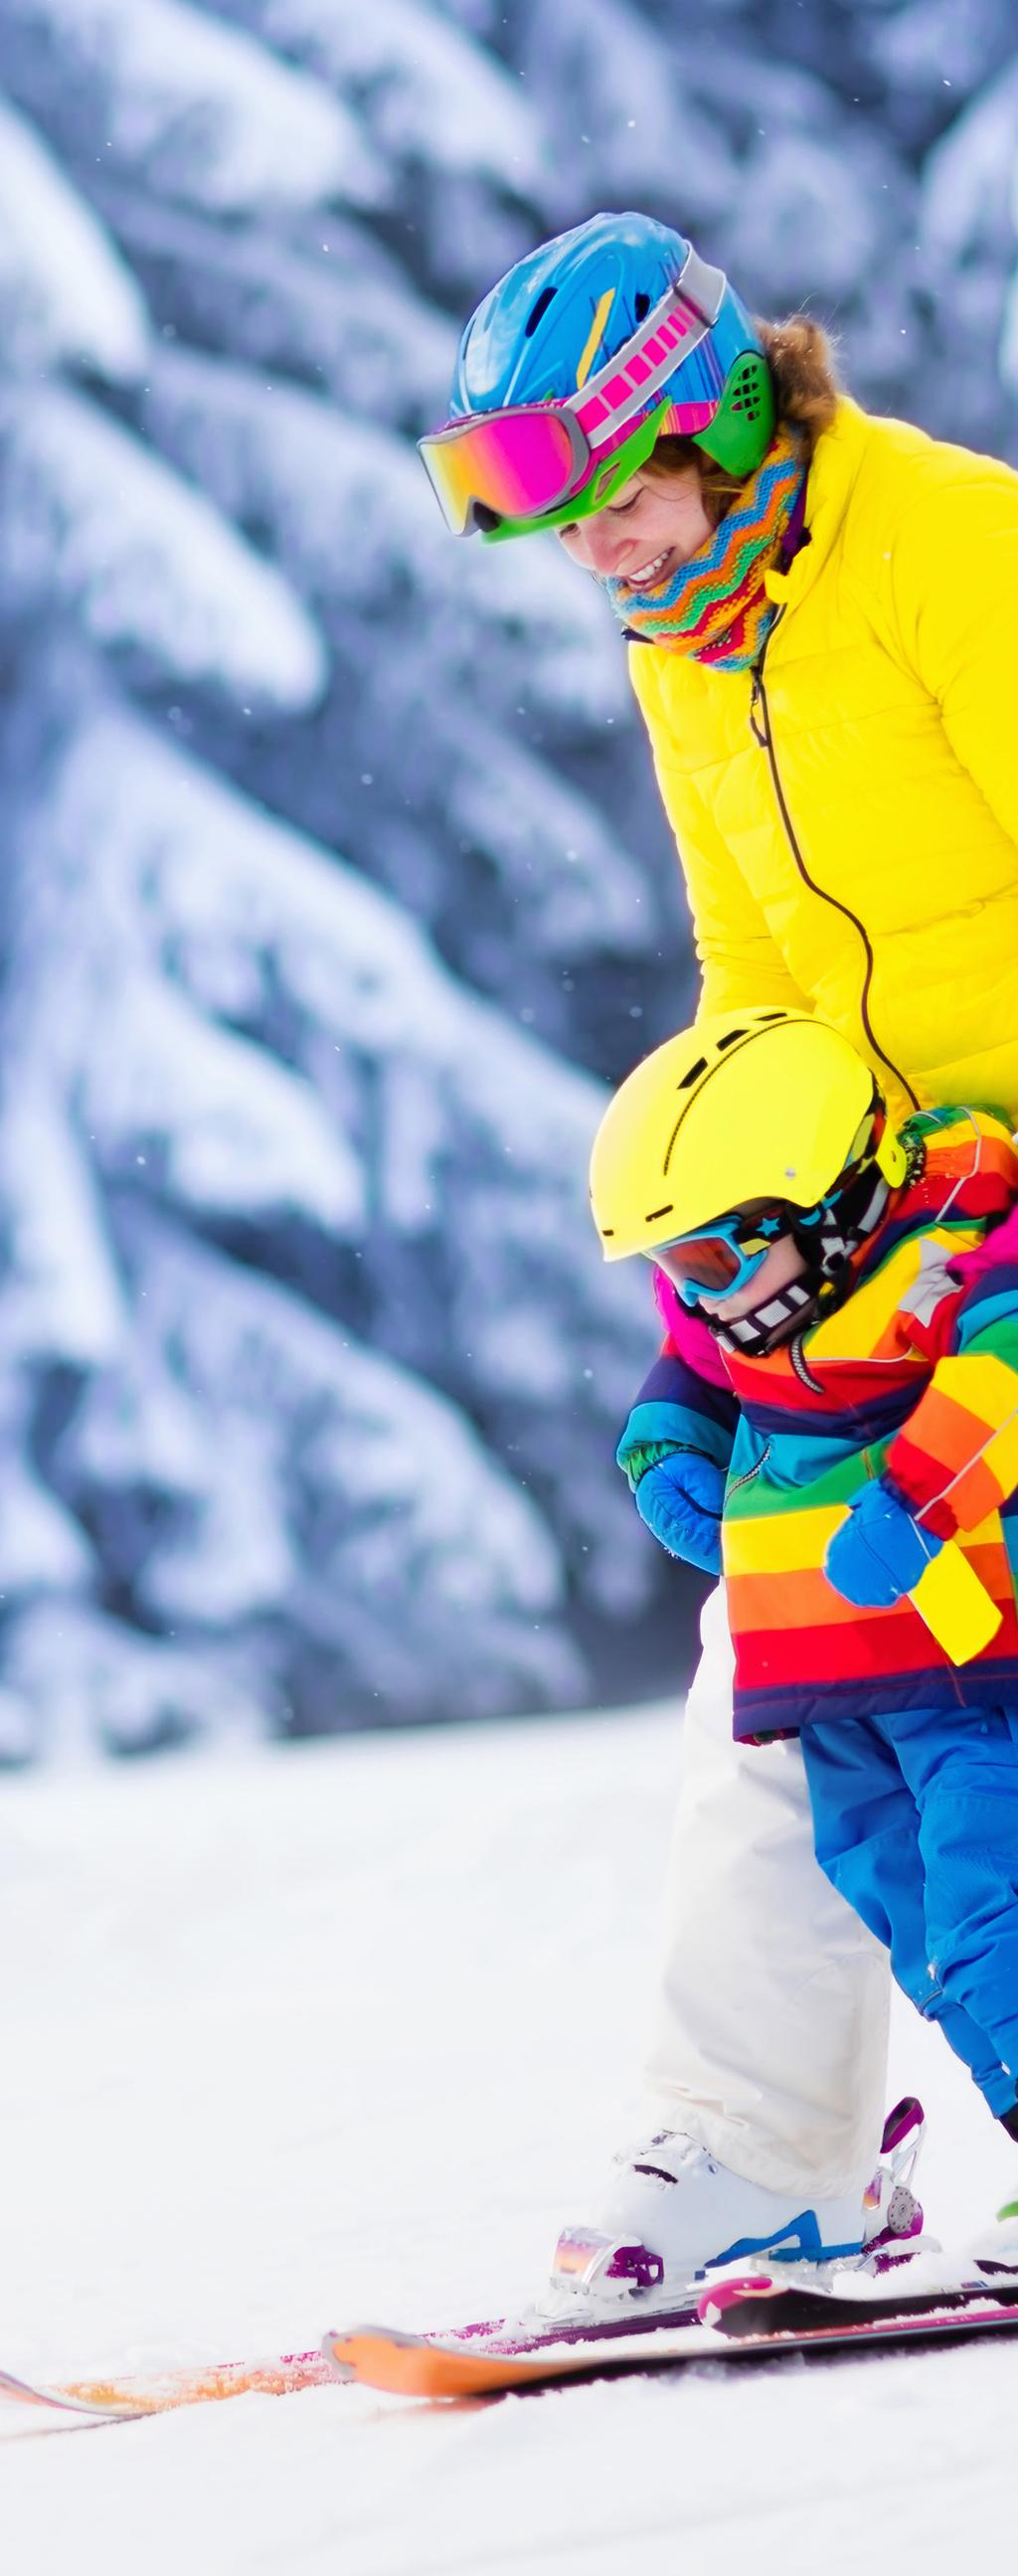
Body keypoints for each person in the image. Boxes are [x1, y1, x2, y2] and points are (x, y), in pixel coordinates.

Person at [418, 207, 1018, 2294]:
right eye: (543, 518)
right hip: (887, 1222)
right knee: (773, 1663)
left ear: (711, 421)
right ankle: (761, 2146)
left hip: (1000, 1231)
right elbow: (746, 972)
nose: (588, 551)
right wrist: (724, 1296)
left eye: (606, 496)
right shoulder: (690, 623)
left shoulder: (951, 551)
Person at [587, 1005, 1018, 2292]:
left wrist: (919, 1496)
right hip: (831, 1690)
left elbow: (1003, 1367)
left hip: (962, 1675)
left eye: (716, 1259)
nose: (700, 1297)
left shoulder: (942, 1261)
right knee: (927, 1942)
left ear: (825, 1208)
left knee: (994, 1918)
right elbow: (697, 1371)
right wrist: (665, 1440)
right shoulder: (755, 1315)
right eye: (673, 1270)